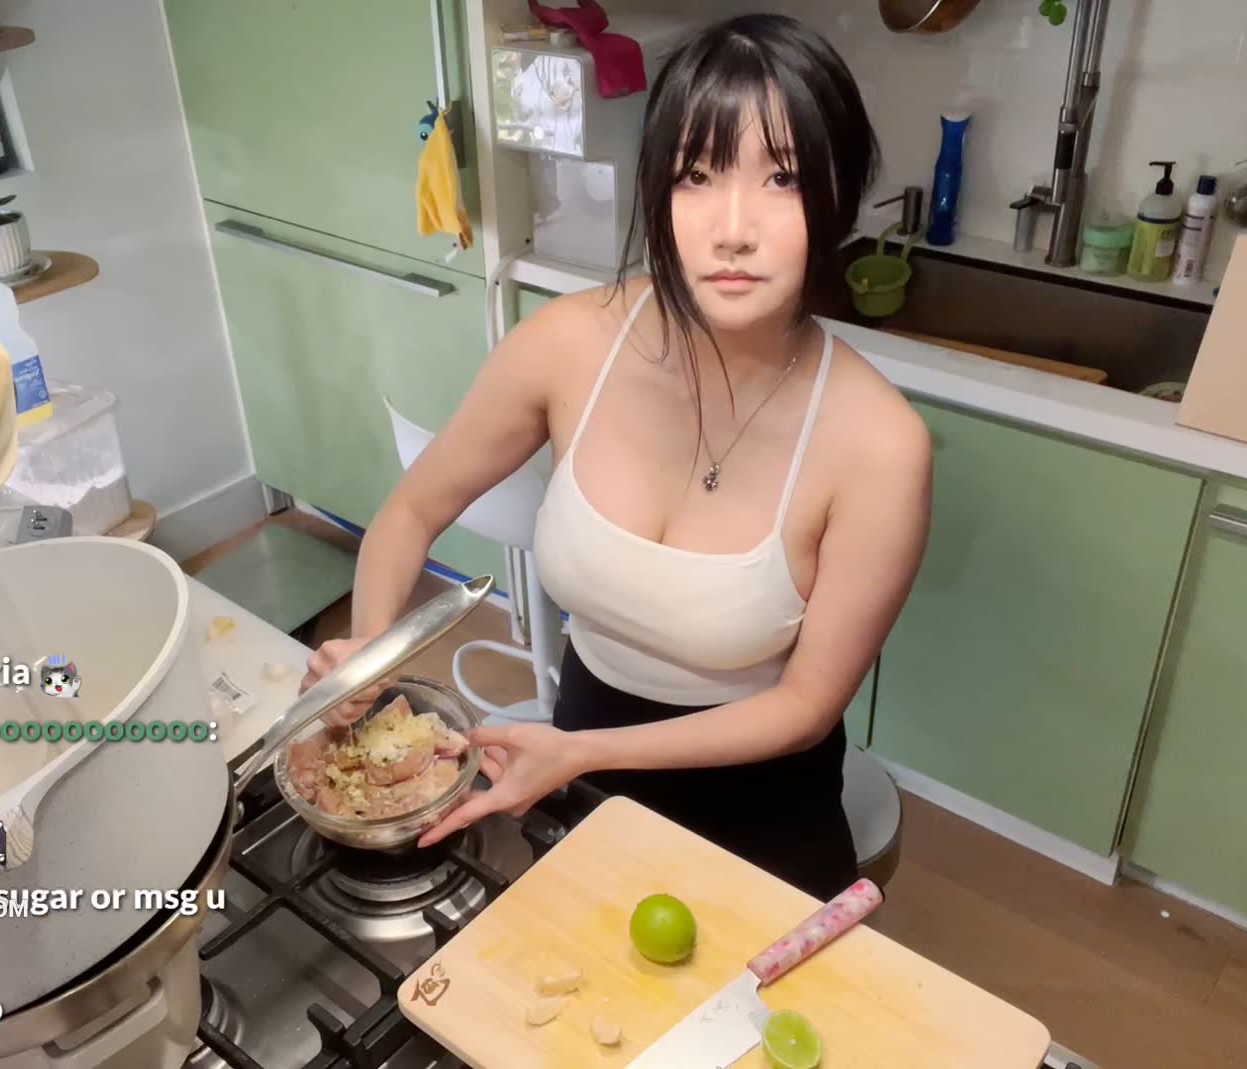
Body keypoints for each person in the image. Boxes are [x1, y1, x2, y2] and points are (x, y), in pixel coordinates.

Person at [301, 14, 933, 898]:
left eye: (783, 178)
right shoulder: (569, 345)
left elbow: (803, 708)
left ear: (838, 196)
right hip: (578, 780)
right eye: (697, 176)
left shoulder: (880, 445)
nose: (733, 229)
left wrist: (583, 753)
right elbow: (412, 509)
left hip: (760, 822)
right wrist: (368, 654)